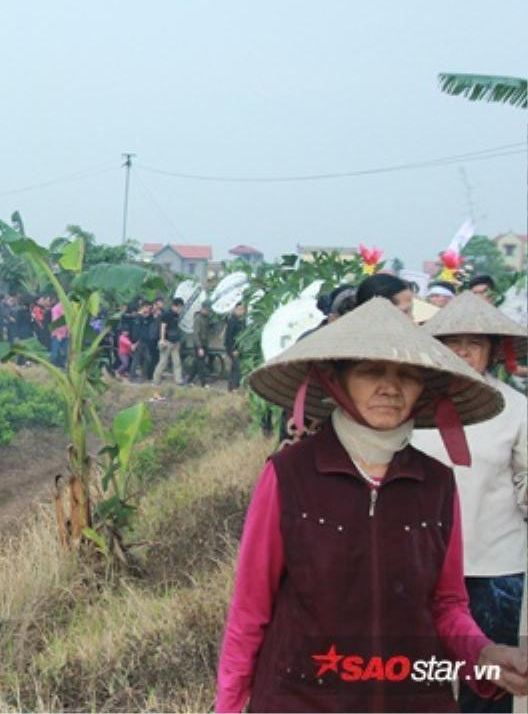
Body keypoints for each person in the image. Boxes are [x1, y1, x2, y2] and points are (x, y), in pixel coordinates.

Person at [217, 298, 527, 712]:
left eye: (407, 375)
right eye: (370, 371)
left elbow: (446, 606)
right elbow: (250, 611)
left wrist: (484, 658)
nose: (390, 387)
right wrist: (229, 705)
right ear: (336, 381)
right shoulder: (289, 475)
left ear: (423, 390)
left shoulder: (435, 483)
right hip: (303, 697)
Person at [413, 291, 528, 714]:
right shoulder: (412, 406)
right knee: (422, 676)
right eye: (453, 343)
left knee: (489, 684)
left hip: (493, 566)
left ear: (493, 352)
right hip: (421, 562)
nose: (463, 352)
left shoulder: (517, 409)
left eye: (475, 344)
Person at [152, 297, 184, 385]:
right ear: (176, 306)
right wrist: (162, 340)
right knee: (163, 362)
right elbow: (163, 327)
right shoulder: (167, 314)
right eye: (180, 307)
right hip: (167, 341)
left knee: (177, 362)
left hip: (175, 341)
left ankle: (178, 380)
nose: (181, 310)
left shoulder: (176, 315)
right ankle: (156, 380)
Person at [225, 300, 246, 392]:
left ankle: (231, 387)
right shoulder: (232, 321)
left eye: (243, 309)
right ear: (235, 309)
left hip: (239, 348)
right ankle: (235, 388)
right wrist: (233, 349)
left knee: (234, 368)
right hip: (233, 349)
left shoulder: (241, 320)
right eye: (240, 309)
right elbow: (229, 337)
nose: (242, 311)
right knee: (237, 368)